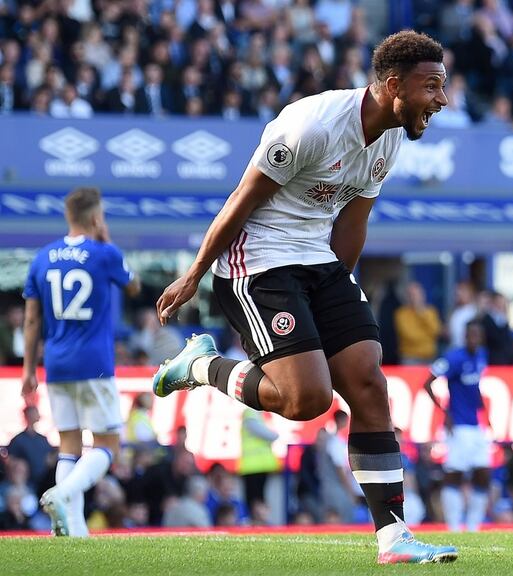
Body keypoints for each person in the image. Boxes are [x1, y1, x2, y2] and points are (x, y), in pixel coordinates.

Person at [151, 31, 456, 564]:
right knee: (306, 401)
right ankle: (202, 366)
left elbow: (353, 221)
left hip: (319, 263)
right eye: (432, 86)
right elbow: (242, 201)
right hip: (260, 262)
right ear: (392, 85)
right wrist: (196, 274)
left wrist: (340, 300)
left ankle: (394, 538)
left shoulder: (387, 137)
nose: (442, 99)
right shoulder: (310, 127)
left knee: (369, 382)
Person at [22, 186, 141, 537]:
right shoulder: (105, 253)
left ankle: (73, 530)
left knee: (69, 445)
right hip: (95, 363)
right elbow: (133, 287)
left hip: (56, 363)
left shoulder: (42, 257)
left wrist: (29, 369)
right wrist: (107, 242)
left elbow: (32, 320)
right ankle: (64, 493)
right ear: (95, 218)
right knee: (109, 446)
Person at [424, 321, 491, 532]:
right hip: (459, 426)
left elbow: (474, 387)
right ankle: (453, 526)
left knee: (483, 475)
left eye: (477, 336)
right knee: (455, 475)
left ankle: (472, 527)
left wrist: (485, 414)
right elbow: (427, 383)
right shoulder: (454, 357)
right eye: (471, 335)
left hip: (475, 424)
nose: (474, 339)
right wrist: (445, 412)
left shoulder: (481, 356)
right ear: (465, 337)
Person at [6, 406, 54, 492]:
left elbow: (49, 460)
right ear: (28, 415)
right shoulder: (18, 440)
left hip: (44, 482)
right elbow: (11, 462)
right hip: (26, 485)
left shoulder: (42, 439)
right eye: (34, 412)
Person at [394, 281, 442, 365]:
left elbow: (436, 331)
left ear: (423, 295)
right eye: (411, 295)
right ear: (407, 297)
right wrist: (427, 338)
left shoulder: (431, 311)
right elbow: (409, 336)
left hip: (430, 357)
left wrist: (421, 312)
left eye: (417, 294)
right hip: (410, 358)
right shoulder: (401, 313)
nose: (414, 297)